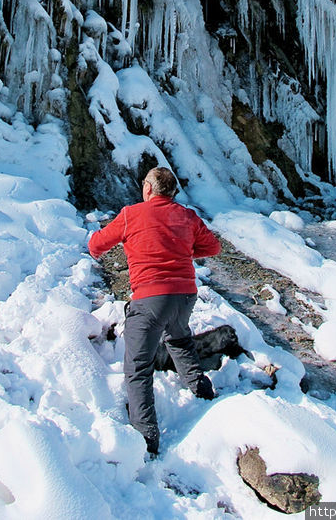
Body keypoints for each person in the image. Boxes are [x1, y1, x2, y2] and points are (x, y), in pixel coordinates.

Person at [88, 166, 221, 456]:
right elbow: (213, 247)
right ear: (173, 193)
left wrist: (130, 243)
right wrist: (182, 250)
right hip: (185, 295)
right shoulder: (187, 215)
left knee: (137, 367)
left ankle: (147, 439)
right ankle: (202, 390)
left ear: (148, 189)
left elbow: (96, 245)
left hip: (151, 299)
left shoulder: (131, 214)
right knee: (178, 337)